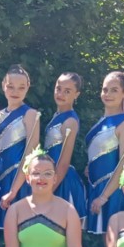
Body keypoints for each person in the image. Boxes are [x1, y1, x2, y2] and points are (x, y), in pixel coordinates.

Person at [84, 71, 124, 234]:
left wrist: (104, 196)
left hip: (113, 190)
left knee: (116, 239)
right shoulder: (101, 121)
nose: (108, 94)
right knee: (105, 239)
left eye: (114, 90)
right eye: (105, 90)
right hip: (95, 185)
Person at [0, 65, 40, 228]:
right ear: (3, 86)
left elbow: (31, 154)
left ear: (28, 87)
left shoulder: (30, 114)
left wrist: (14, 190)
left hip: (19, 179)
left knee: (20, 227)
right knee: (1, 229)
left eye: (21, 87)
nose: (15, 91)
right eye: (10, 86)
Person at [44, 73, 88, 225]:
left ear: (76, 94)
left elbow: (64, 161)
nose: (61, 94)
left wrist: (49, 191)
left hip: (62, 180)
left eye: (67, 91)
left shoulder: (70, 121)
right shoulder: (58, 115)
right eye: (58, 88)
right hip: (51, 177)